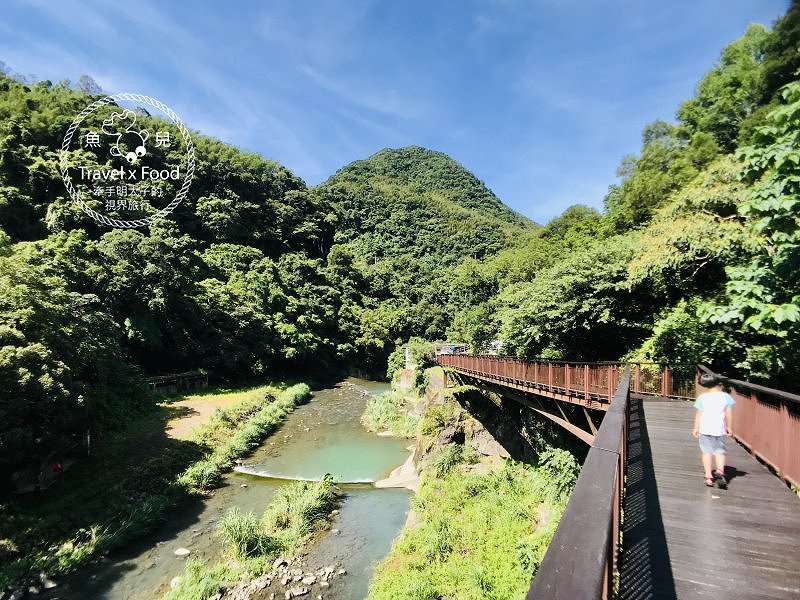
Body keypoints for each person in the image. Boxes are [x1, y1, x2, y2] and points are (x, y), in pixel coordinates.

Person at [693, 373, 735, 489]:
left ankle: (708, 477)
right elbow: (729, 414)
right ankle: (720, 471)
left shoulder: (702, 397)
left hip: (705, 428)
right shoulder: (726, 397)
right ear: (718, 383)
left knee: (706, 452)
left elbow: (699, 414)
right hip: (719, 428)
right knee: (719, 451)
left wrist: (696, 428)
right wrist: (729, 427)